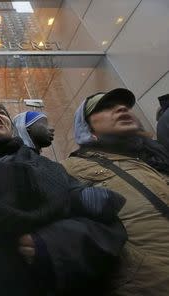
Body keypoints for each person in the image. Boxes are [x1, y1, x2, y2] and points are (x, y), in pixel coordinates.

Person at [0, 102, 127, 296]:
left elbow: (108, 230)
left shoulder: (51, 170)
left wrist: (54, 246)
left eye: (1, 112)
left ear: (12, 128)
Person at [60, 88, 169, 295]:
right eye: (106, 107)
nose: (121, 108)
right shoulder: (71, 168)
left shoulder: (157, 158)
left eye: (124, 106)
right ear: (87, 128)